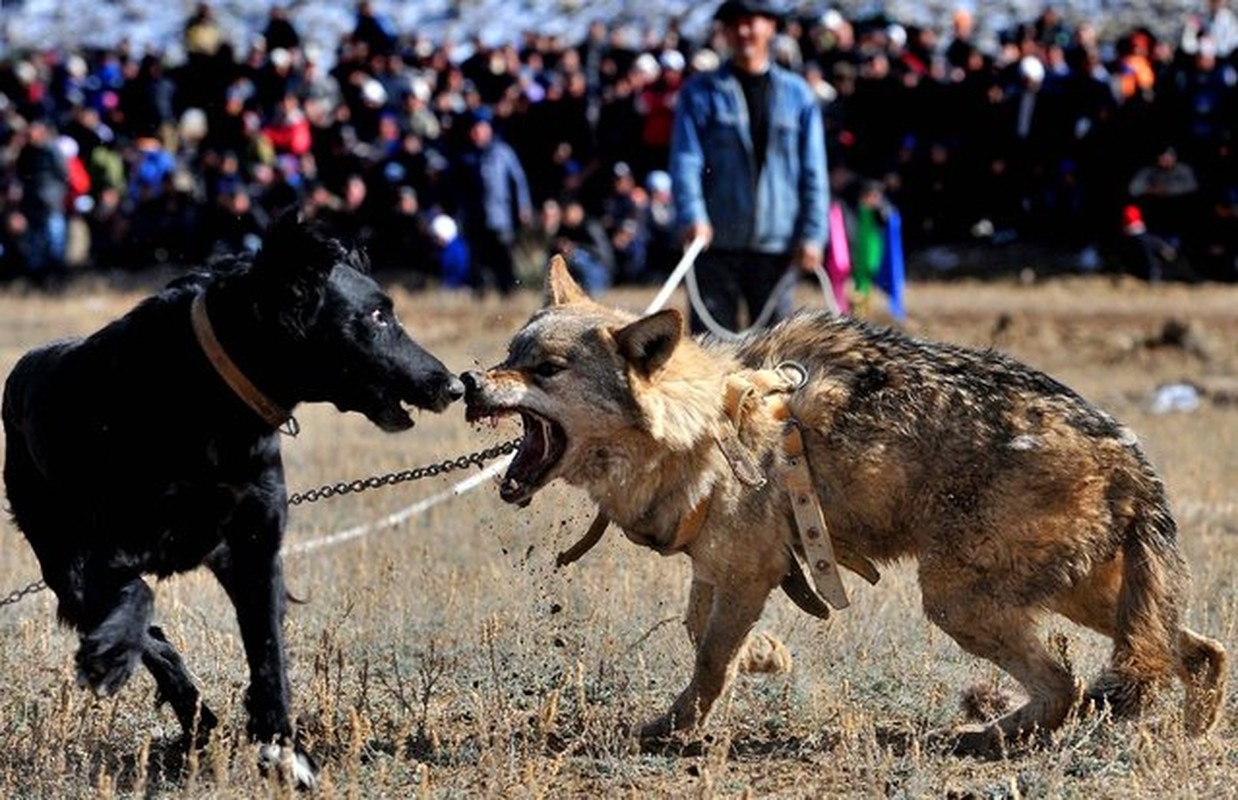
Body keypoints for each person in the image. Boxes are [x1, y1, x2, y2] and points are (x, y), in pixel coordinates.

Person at [668, 0, 828, 335]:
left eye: (751, 21)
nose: (743, 31)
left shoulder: (799, 96)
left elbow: (814, 171)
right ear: (724, 31)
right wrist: (692, 215)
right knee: (710, 350)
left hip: (778, 244)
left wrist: (813, 234)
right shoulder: (699, 93)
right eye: (733, 23)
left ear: (770, 26)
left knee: (774, 357)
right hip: (714, 242)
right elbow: (686, 160)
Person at [448, 107, 533, 296]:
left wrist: (523, 207)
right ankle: (481, 293)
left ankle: (509, 291)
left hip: (500, 216)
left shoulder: (503, 152)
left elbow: (518, 181)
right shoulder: (464, 156)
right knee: (478, 259)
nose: (477, 133)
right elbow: (457, 189)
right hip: (475, 217)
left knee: (503, 256)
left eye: (481, 128)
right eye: (474, 129)